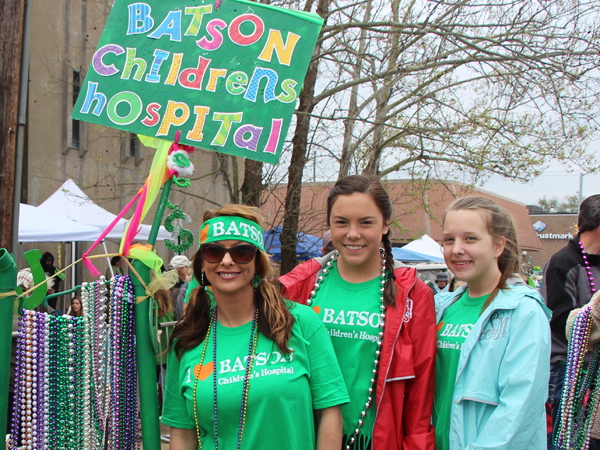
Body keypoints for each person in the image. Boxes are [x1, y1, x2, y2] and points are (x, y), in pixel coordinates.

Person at [162, 204, 349, 450]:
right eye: (214, 252)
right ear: (203, 266)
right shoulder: (186, 340)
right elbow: (183, 435)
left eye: (242, 252)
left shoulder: (300, 322)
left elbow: (330, 414)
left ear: (257, 262)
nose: (227, 261)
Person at [279, 175, 436, 450]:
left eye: (366, 222)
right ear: (329, 225)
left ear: (386, 224)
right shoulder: (299, 285)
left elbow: (421, 391)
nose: (353, 233)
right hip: (304, 437)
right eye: (342, 222)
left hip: (374, 441)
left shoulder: (413, 293)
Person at [434, 196, 551, 450]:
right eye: (449, 239)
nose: (456, 249)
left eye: (470, 238)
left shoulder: (524, 312)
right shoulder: (441, 307)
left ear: (498, 245)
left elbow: (520, 409)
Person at [542, 193, 600, 449]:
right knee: (568, 442)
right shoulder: (563, 263)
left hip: (594, 370)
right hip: (569, 370)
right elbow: (562, 323)